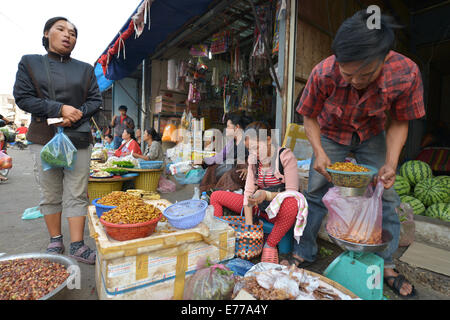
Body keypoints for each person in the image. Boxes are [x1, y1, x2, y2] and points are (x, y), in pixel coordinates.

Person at [289, 10, 425, 297]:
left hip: (372, 134)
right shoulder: (324, 72)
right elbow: (309, 117)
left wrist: (391, 162)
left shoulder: (405, 73)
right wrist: (319, 152)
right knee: (315, 192)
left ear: (385, 58)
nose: (354, 80)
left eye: (364, 74)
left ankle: (386, 265)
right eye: (347, 73)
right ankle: (305, 252)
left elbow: (401, 121)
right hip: (330, 133)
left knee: (386, 194)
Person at [13, 16, 102, 264]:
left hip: (78, 138)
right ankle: (55, 239)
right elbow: (23, 97)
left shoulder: (85, 69)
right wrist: (59, 108)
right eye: (61, 29)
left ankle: (77, 245)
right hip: (44, 137)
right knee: (50, 192)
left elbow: (96, 101)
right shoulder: (30, 63)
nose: (68, 35)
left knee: (77, 193)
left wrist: (76, 114)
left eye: (73, 33)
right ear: (46, 34)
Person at [210, 121, 301, 264]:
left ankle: (270, 245)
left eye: (257, 148)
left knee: (293, 203)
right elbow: (248, 192)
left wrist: (267, 195)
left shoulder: (285, 157)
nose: (254, 153)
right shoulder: (254, 160)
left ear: (269, 140)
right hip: (259, 207)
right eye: (250, 149)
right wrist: (249, 227)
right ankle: (218, 238)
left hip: (279, 212)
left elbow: (293, 193)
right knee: (216, 196)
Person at [200, 114, 252, 192]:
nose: (226, 129)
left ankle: (217, 194)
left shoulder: (248, 141)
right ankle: (207, 192)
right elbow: (221, 156)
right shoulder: (232, 142)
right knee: (212, 168)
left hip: (242, 172)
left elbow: (255, 158)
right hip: (231, 168)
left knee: (228, 175)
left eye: (228, 126)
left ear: (237, 127)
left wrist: (248, 169)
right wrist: (205, 161)